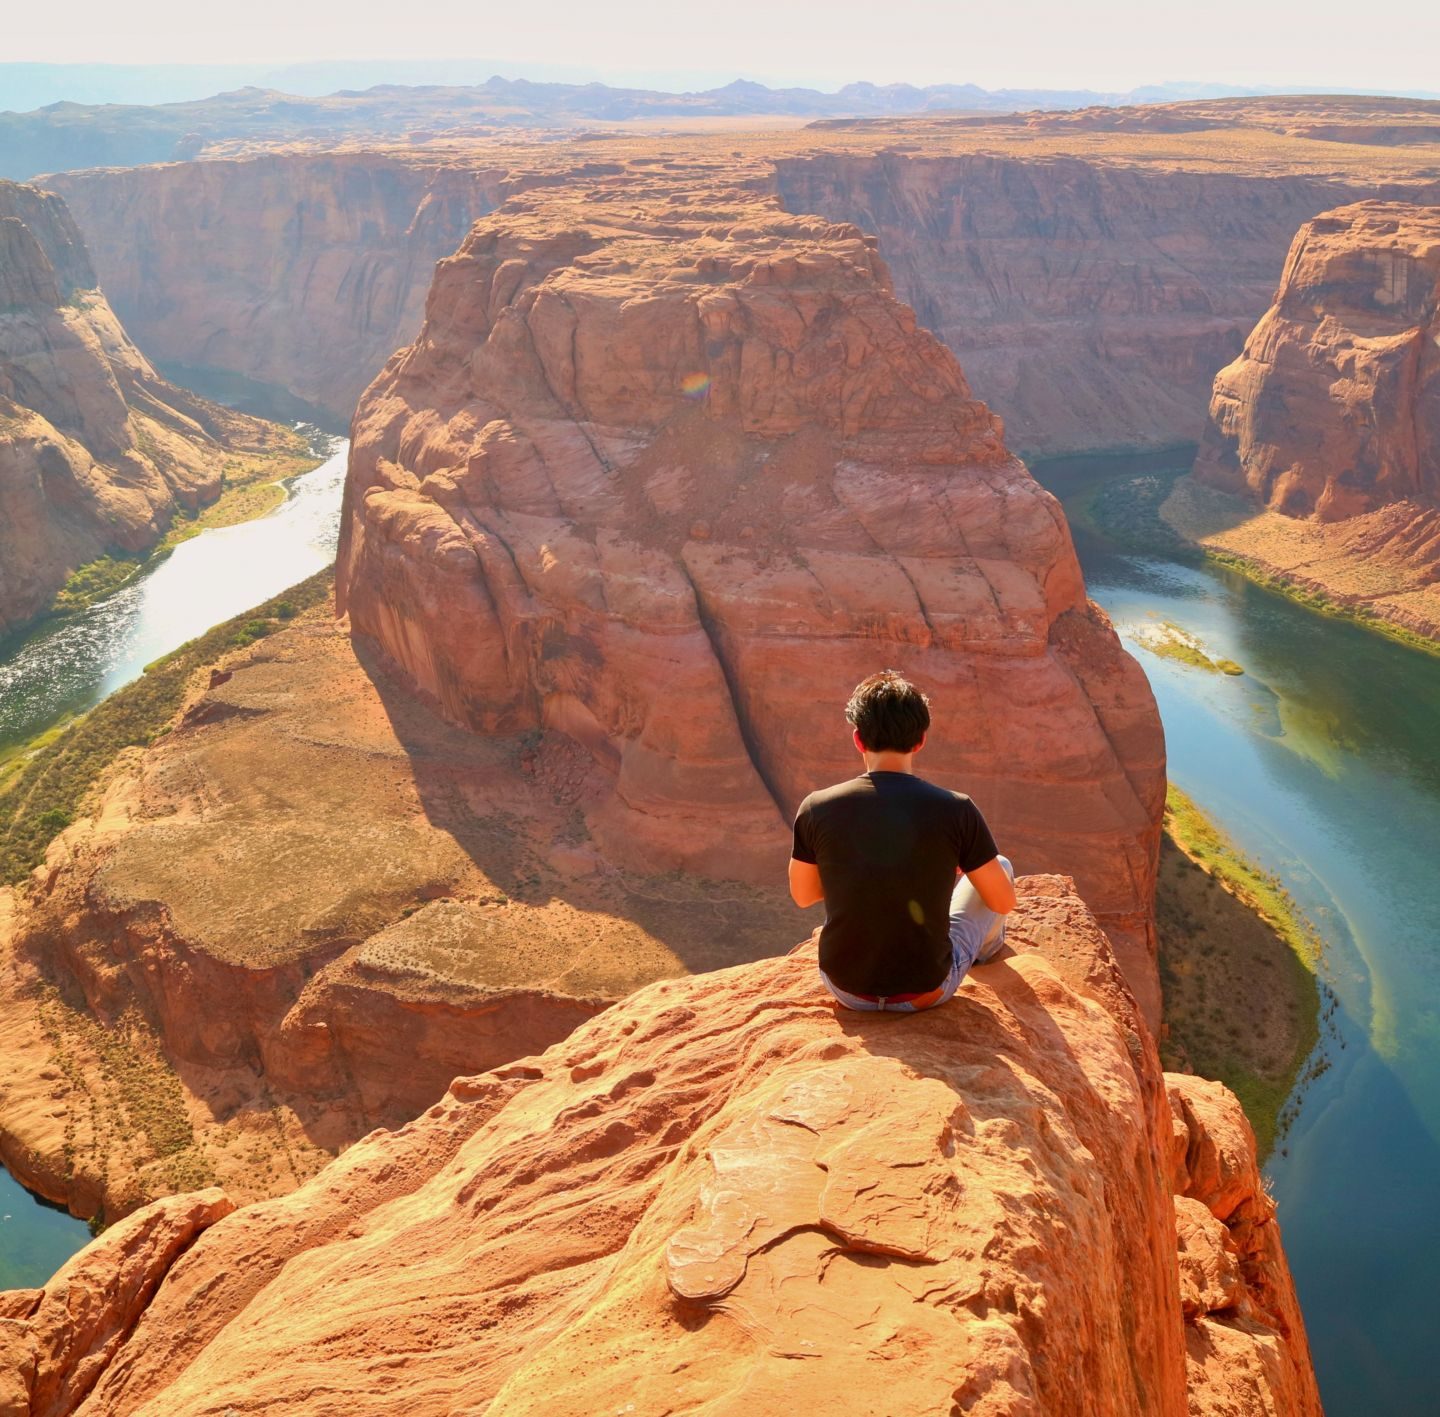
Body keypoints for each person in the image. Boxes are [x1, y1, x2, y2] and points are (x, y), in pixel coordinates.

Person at [788, 669, 1016, 1012]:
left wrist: (851, 866)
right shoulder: (957, 809)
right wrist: (934, 867)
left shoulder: (816, 807)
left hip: (845, 989)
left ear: (858, 739)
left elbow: (804, 895)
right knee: (999, 865)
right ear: (920, 740)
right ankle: (986, 953)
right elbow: (1002, 902)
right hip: (925, 992)